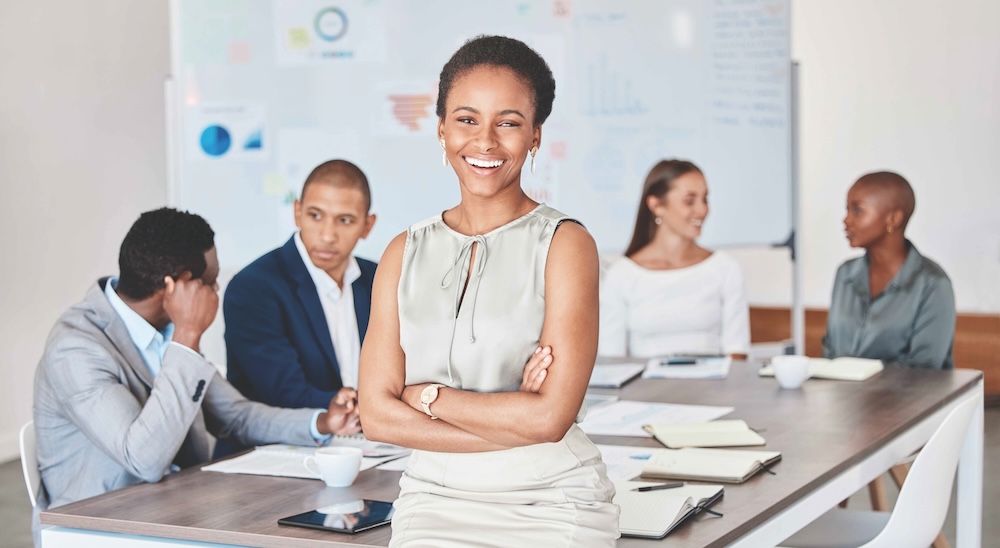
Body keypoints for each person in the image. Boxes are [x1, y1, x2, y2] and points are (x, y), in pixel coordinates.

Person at [358, 35, 619, 546]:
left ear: (535, 137)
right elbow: (377, 417)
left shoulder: (566, 244)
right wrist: (507, 417)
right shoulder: (402, 251)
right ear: (441, 130)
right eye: (467, 119)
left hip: (549, 500)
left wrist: (425, 397)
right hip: (432, 501)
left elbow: (549, 418)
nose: (485, 141)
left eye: (508, 122)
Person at [32, 208, 361, 520]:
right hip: (103, 525)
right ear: (176, 286)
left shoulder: (165, 333)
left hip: (180, 509)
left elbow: (235, 416)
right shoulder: (75, 348)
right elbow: (144, 460)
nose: (216, 290)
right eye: (211, 281)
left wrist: (323, 423)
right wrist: (188, 335)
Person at [223, 159, 375, 421]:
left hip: (372, 445)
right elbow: (282, 392)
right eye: (315, 216)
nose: (327, 235)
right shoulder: (253, 287)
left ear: (367, 226)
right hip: (274, 450)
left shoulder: (379, 279)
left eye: (345, 220)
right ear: (297, 212)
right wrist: (364, 408)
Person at [598, 159, 750, 359]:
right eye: (689, 201)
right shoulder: (622, 275)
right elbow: (612, 360)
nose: (702, 210)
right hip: (646, 390)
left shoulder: (725, 268)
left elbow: (737, 352)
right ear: (656, 205)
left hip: (714, 389)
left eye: (705, 199)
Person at [823, 171, 955, 369]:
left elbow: (925, 370)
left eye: (857, 210)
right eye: (846, 209)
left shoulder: (933, 284)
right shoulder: (845, 274)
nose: (846, 220)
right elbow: (829, 352)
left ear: (893, 219)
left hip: (909, 400)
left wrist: (859, 378)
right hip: (842, 399)